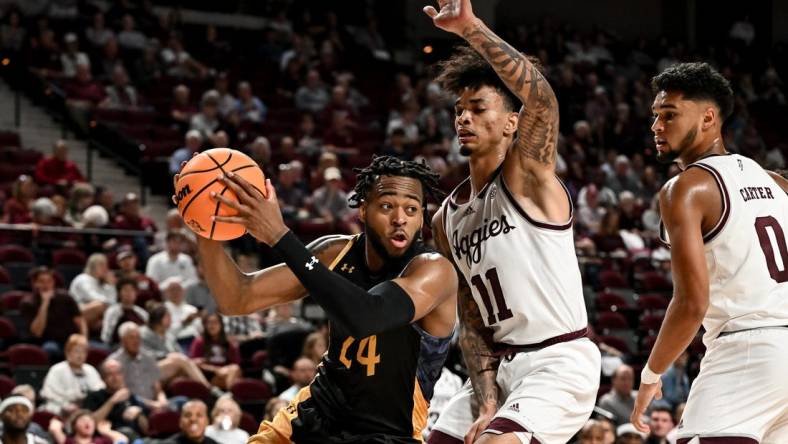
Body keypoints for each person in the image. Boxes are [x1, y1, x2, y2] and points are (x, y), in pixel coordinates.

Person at [178, 155, 458, 442]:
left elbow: (367, 317)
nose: (400, 219)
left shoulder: (434, 271)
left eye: (412, 209)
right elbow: (237, 299)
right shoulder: (334, 253)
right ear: (363, 210)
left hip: (387, 429)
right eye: (387, 206)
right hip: (318, 410)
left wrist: (280, 236)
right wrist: (203, 221)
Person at [423, 1, 601, 443]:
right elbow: (471, 316)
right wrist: (486, 399)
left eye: (479, 108)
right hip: (500, 367)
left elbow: (542, 99)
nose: (464, 117)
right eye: (460, 109)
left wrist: (471, 28)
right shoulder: (446, 219)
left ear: (511, 123)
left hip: (558, 360)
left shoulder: (526, 177)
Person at [630, 62, 788, 442]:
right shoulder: (776, 181)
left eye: (669, 115)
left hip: (746, 350)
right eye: (655, 116)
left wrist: (652, 375)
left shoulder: (685, 188)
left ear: (708, 117)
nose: (656, 126)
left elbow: (690, 303)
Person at [21, 266, 87, 361]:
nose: (46, 285)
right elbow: (37, 332)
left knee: (100, 349)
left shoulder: (65, 297)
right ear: (34, 283)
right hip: (48, 341)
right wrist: (45, 303)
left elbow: (80, 320)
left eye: (49, 281)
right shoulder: (28, 303)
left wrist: (84, 339)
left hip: (71, 339)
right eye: (42, 281)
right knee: (50, 349)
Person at [40, 334, 105, 416]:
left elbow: (100, 390)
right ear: (67, 353)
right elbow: (49, 393)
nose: (80, 355)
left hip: (86, 409)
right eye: (77, 351)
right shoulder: (57, 369)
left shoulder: (90, 370)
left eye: (83, 352)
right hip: (62, 407)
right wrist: (66, 405)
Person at [83, 359, 149, 438]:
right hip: (113, 439)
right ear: (102, 378)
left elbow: (146, 429)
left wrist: (139, 414)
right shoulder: (94, 397)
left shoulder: (130, 395)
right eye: (110, 374)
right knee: (127, 432)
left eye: (118, 373)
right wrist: (112, 401)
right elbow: (90, 424)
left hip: (140, 439)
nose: (115, 377)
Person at [188, 312, 242, 390]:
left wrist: (224, 370)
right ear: (205, 326)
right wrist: (215, 369)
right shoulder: (199, 342)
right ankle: (230, 395)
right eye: (209, 323)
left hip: (227, 373)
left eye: (215, 322)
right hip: (208, 376)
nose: (212, 326)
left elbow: (236, 363)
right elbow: (193, 363)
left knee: (234, 369)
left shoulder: (228, 342)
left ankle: (228, 394)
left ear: (221, 325)